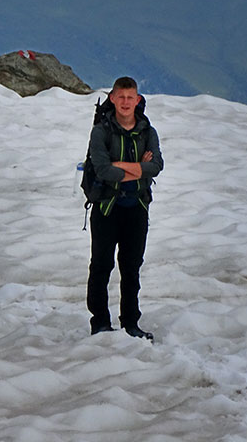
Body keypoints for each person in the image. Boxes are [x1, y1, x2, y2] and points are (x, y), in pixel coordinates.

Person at [86, 76, 163, 339]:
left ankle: (131, 323)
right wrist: (138, 170)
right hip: (106, 208)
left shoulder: (147, 131)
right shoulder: (101, 131)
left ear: (138, 100)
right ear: (112, 99)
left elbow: (156, 166)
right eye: (121, 97)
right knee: (102, 265)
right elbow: (103, 170)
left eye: (131, 98)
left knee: (131, 267)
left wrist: (121, 167)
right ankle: (100, 324)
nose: (126, 102)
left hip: (137, 208)